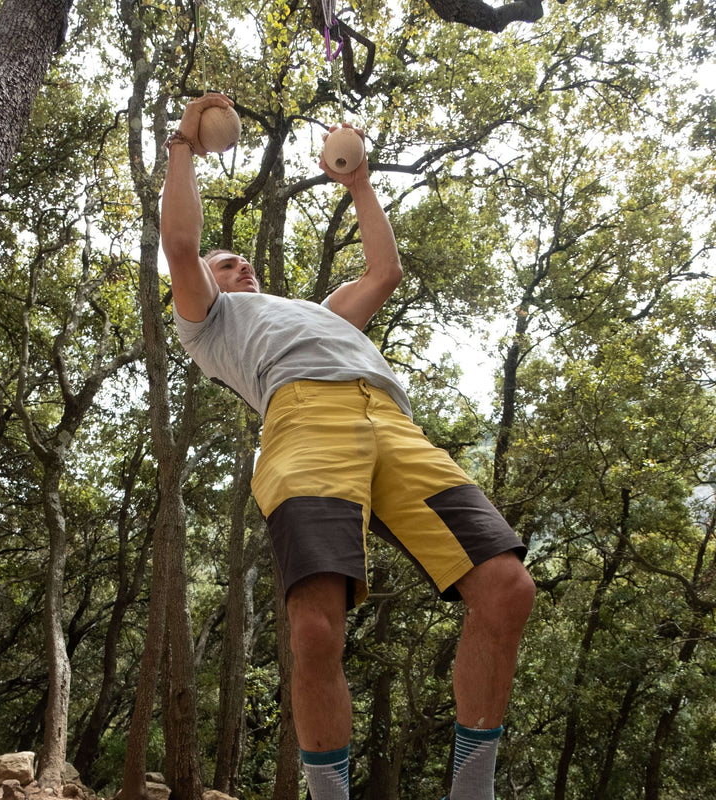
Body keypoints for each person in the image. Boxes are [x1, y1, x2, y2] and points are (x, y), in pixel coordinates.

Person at [160, 91, 535, 800]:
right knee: (314, 631)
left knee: (507, 587)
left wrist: (359, 182)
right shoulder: (210, 325)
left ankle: (472, 788)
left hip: (392, 423)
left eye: (243, 262)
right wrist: (184, 143)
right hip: (304, 424)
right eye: (227, 261)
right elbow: (181, 244)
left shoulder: (319, 312)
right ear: (202, 284)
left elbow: (384, 272)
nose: (241, 267)